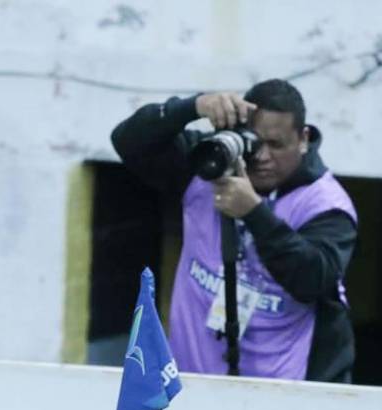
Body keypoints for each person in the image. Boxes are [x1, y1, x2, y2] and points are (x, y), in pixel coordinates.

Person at [111, 78, 357, 382]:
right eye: (255, 141)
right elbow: (127, 141)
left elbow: (313, 279)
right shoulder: (209, 164)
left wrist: (254, 214)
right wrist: (193, 107)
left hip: (284, 394)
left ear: (303, 138)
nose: (263, 156)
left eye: (277, 145)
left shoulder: (325, 203)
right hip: (191, 382)